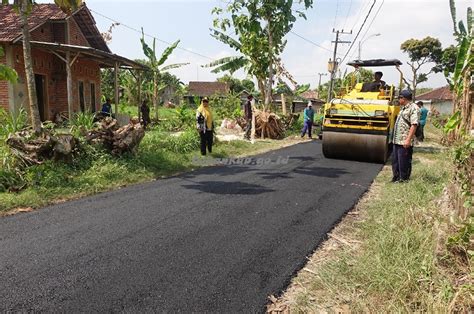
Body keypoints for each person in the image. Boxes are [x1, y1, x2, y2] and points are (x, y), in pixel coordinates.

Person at [391, 90, 420, 183]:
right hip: (397, 140)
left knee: (404, 161)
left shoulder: (414, 108)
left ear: (404, 98)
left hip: (404, 140)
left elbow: (414, 124)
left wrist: (408, 139)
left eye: (400, 98)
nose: (399, 100)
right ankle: (396, 177)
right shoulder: (403, 108)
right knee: (396, 161)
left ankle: (403, 179)